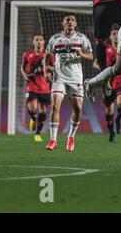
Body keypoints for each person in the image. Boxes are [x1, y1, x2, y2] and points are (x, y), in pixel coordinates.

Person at [44, 14, 94, 152]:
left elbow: (91, 55)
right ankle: (53, 140)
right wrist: (45, 71)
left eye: (72, 20)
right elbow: (47, 55)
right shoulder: (55, 39)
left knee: (78, 109)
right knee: (54, 106)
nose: (70, 22)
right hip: (59, 77)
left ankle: (71, 137)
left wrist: (82, 54)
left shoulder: (82, 38)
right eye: (67, 20)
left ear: (76, 24)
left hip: (76, 78)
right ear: (63, 23)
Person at [20, 34, 54, 142]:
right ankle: (33, 118)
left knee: (43, 111)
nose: (39, 42)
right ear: (33, 42)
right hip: (32, 85)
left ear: (44, 42)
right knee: (32, 108)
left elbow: (54, 67)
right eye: (36, 40)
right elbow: (22, 66)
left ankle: (38, 133)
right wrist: (26, 77)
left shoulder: (48, 55)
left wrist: (47, 67)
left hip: (45, 87)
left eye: (41, 40)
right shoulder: (27, 54)